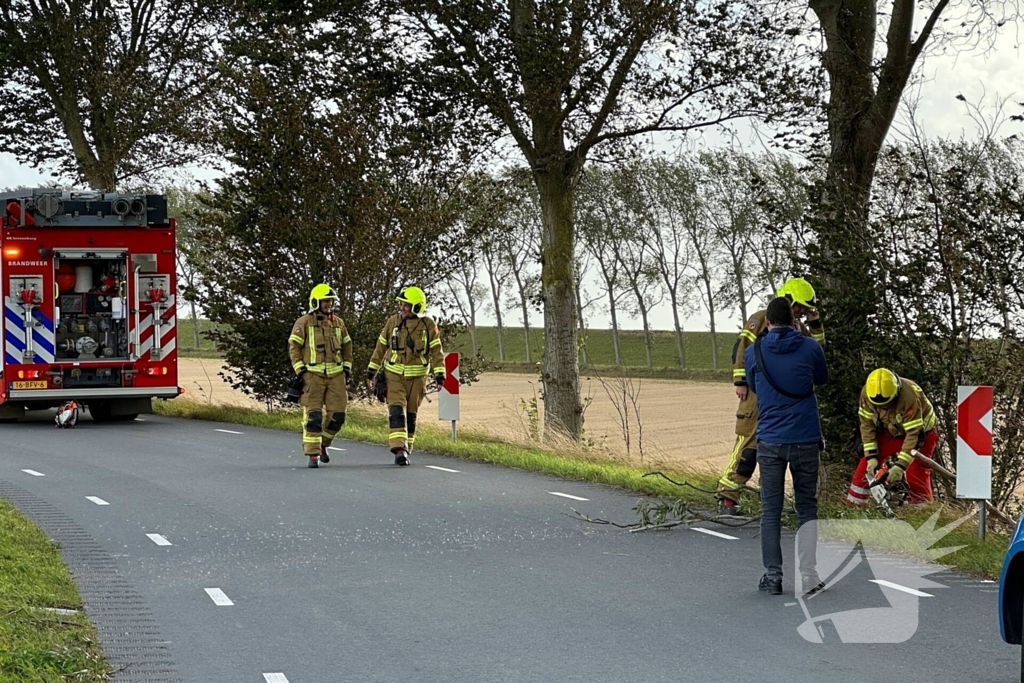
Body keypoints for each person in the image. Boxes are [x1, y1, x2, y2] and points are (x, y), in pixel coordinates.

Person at [717, 277, 825, 515]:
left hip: (779, 396)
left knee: (775, 450)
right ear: (789, 300)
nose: (801, 312)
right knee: (748, 448)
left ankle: (771, 500)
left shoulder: (798, 327)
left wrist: (815, 324)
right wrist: (741, 382)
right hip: (756, 393)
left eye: (805, 309)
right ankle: (728, 496)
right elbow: (743, 349)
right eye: (800, 307)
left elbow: (817, 352)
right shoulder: (760, 319)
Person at [745, 297, 828, 596]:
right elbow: (822, 378)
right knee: (806, 507)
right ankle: (808, 575)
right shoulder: (810, 347)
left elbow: (753, 387)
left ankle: (773, 576)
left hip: (770, 440)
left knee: (771, 509)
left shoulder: (754, 352)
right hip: (805, 437)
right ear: (794, 321)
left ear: (767, 322)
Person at [366, 286, 445, 466]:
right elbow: (381, 347)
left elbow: (437, 352)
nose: (402, 308)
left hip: (417, 379)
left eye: (407, 305)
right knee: (396, 411)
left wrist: (440, 375)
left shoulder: (428, 325)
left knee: (410, 415)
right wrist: (371, 371)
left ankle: (406, 448)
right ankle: (399, 448)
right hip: (394, 376)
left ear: (417, 307)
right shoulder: (393, 322)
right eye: (402, 304)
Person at [846, 369, 937, 507]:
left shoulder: (909, 398)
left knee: (916, 474)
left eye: (887, 404)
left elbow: (914, 434)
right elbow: (867, 425)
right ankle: (853, 507)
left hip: (922, 433)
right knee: (865, 468)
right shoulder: (867, 394)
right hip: (890, 430)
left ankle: (922, 513)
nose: (883, 407)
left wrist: (900, 466)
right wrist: (871, 457)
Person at [288, 284, 353, 468]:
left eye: (330, 301)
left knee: (338, 416)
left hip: (336, 376)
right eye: (325, 301)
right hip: (312, 377)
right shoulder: (304, 322)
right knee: (313, 416)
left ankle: (323, 444)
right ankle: (313, 454)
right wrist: (300, 370)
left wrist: (347, 368)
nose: (328, 304)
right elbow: (294, 347)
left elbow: (347, 346)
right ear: (316, 302)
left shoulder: (338, 323)